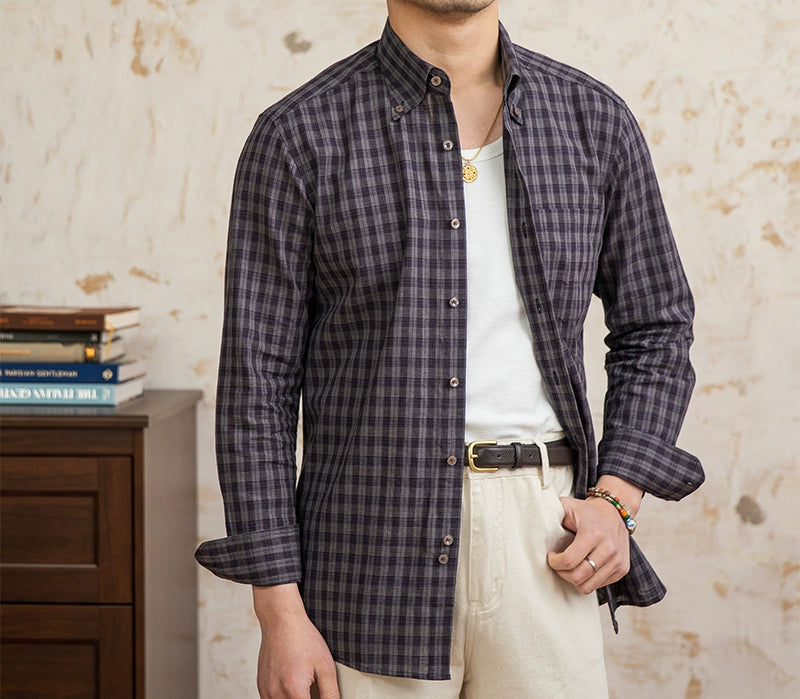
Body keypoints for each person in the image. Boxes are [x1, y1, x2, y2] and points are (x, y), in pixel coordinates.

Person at [195, 1, 704, 697]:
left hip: (545, 537)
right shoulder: (300, 133)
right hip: (369, 548)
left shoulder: (593, 120)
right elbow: (257, 384)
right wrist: (279, 612)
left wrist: (617, 498)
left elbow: (657, 324)